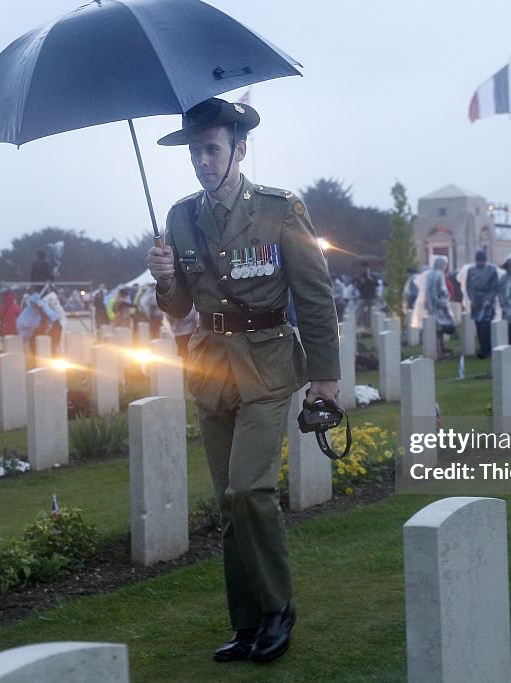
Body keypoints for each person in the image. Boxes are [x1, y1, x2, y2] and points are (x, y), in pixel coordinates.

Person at [147, 97, 339, 664]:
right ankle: (246, 621)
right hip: (211, 366)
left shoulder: (281, 210)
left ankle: (278, 609)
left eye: (213, 149)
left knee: (249, 490)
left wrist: (325, 378)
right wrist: (163, 280)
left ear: (239, 149)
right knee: (228, 505)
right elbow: (179, 303)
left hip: (268, 363)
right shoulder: (181, 218)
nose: (203, 161)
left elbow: (315, 294)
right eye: (196, 151)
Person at [419, 256, 455, 354]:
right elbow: (442, 290)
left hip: (431, 304)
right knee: (441, 327)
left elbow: (428, 290)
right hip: (439, 305)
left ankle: (439, 347)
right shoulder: (439, 274)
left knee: (435, 327)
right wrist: (444, 301)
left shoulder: (430, 274)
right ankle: (439, 348)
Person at [466, 250, 498, 358]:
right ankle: (482, 348)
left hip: (487, 302)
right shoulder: (471, 271)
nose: (480, 263)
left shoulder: (491, 270)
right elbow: (469, 286)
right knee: (479, 327)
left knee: (486, 327)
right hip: (476, 302)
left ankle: (486, 350)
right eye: (478, 261)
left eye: (482, 261)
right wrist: (472, 298)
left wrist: (489, 299)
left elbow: (494, 287)